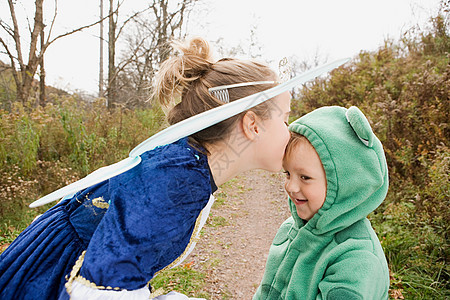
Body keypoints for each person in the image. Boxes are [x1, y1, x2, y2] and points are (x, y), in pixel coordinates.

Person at [0, 37, 292, 299]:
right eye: (285, 119)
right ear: (252, 124)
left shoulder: (189, 166)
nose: (289, 131)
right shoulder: (179, 181)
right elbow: (100, 290)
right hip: (50, 277)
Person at [254, 106, 390, 299]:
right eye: (288, 173)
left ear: (344, 184)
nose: (291, 186)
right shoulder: (290, 229)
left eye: (305, 177)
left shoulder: (356, 259)